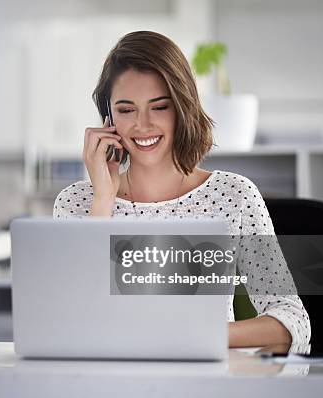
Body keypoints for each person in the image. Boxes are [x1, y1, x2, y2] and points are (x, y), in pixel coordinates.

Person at [53, 31, 310, 348]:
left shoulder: (235, 195)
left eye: (159, 107)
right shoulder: (77, 203)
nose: (143, 125)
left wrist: (195, 336)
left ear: (182, 107)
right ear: (108, 118)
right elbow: (70, 319)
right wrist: (103, 201)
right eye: (126, 109)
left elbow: (292, 319)